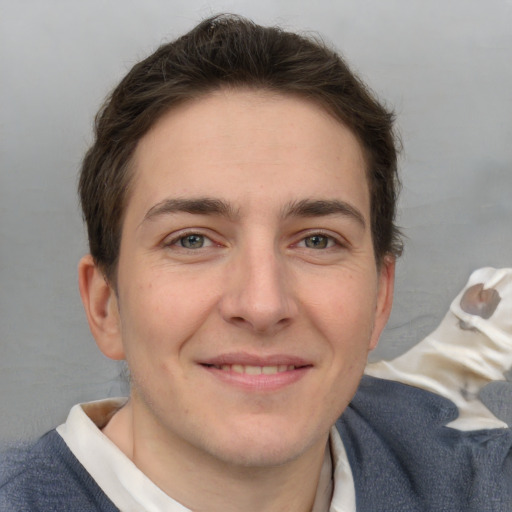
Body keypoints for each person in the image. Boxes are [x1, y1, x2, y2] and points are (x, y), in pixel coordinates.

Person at [1, 14, 511, 512]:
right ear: (105, 305)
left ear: (379, 298)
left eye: (316, 240)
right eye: (193, 240)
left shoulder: (484, 477)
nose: (263, 305)